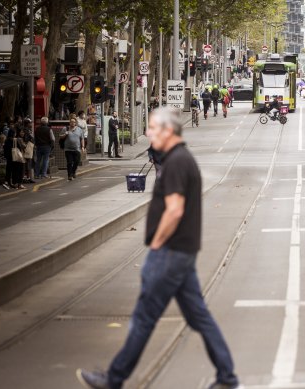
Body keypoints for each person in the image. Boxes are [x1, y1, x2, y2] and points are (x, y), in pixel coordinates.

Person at [76, 107, 243, 389]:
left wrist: (156, 243)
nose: (148, 133)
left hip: (170, 253)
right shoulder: (181, 159)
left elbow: (175, 210)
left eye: (152, 128)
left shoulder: (177, 162)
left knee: (144, 317)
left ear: (167, 131)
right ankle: (227, 377)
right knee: (199, 316)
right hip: (180, 254)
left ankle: (114, 379)